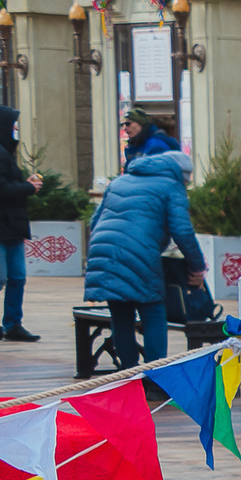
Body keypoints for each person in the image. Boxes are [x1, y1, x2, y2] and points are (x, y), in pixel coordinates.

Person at [82, 109, 203, 368]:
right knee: (154, 312)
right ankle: (154, 373)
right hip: (139, 256)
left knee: (121, 316)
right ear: (181, 175)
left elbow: (95, 222)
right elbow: (183, 231)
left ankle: (128, 374)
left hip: (103, 254)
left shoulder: (120, 182)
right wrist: (197, 267)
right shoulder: (171, 186)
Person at [0, 106, 39, 342]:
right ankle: (12, 323)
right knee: (0, 278)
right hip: (1, 228)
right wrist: (28, 187)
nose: (16, 129)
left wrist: (25, 185)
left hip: (11, 227)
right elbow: (0, 188)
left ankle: (13, 324)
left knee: (17, 277)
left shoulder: (4, 152)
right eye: (13, 124)